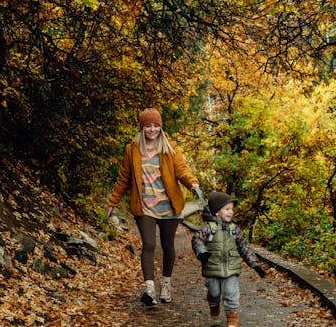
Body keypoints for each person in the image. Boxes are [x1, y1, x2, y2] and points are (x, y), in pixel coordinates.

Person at [107, 107, 199, 306]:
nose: (152, 130)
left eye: (155, 126)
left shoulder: (169, 147)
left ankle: (166, 284)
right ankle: (149, 289)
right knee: (148, 245)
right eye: (148, 126)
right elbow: (123, 178)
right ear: (142, 127)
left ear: (160, 127)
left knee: (167, 247)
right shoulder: (132, 149)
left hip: (169, 206)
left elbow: (182, 170)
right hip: (144, 206)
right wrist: (112, 201)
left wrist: (192, 183)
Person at [191, 191, 266, 327]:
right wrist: (201, 252)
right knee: (214, 293)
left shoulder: (234, 229)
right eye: (227, 209)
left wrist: (255, 264)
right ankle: (214, 305)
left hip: (231, 268)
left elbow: (244, 247)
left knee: (231, 292)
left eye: (231, 209)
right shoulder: (209, 228)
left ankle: (232, 317)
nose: (231, 212)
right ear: (216, 212)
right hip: (212, 268)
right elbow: (197, 239)